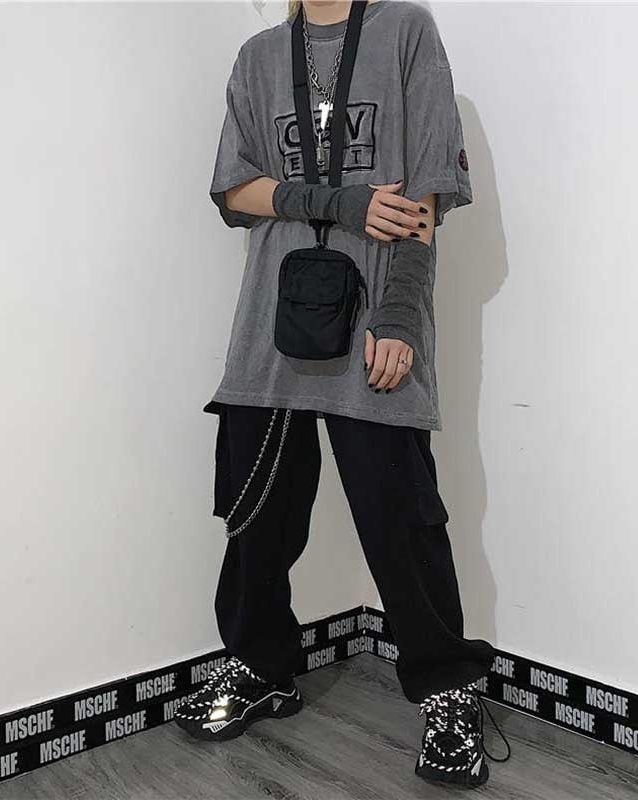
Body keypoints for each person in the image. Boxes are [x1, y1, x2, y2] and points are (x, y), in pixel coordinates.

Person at [175, 0, 508, 788]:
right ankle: (261, 668)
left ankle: (448, 690)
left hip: (373, 329)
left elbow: (427, 193)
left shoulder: (405, 32)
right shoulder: (260, 56)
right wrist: (337, 202)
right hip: (270, 331)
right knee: (256, 522)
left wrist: (401, 315)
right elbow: (234, 191)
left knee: (404, 522)